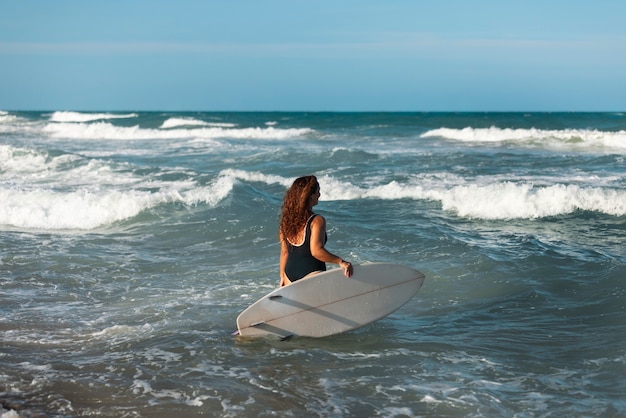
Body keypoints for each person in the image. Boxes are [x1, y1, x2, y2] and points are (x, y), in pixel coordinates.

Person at [279, 175, 353, 287]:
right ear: (310, 196)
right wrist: (340, 261)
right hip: (311, 273)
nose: (319, 195)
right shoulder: (316, 220)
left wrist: (282, 277)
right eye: (318, 191)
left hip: (289, 274)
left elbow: (285, 252)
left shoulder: (286, 222)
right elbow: (316, 251)